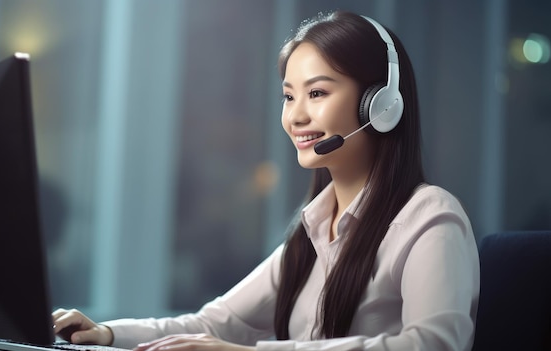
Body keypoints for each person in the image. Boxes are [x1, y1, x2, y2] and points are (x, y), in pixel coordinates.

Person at [52, 10, 480, 351]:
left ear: (380, 104)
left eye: (317, 93)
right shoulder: (313, 230)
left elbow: (435, 344)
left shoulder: (430, 217)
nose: (295, 116)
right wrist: (107, 334)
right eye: (288, 96)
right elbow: (213, 323)